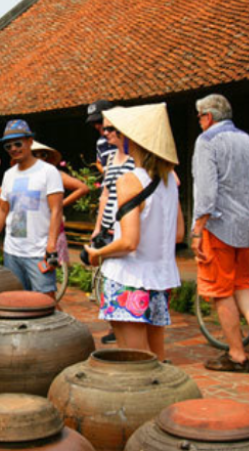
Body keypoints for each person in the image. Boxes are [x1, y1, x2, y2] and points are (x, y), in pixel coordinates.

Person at [83, 103, 184, 361]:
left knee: (136, 360)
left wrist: (98, 253)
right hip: (159, 278)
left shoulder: (130, 180)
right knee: (157, 358)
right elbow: (178, 234)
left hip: (129, 276)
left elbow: (129, 242)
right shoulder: (170, 180)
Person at [192, 94, 249, 373]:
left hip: (218, 226)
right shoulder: (247, 140)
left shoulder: (207, 141)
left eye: (200, 117)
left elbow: (206, 191)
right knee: (242, 284)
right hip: (246, 225)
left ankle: (237, 354)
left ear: (208, 117)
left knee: (221, 290)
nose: (199, 122)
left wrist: (198, 230)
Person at [0, 120, 64, 298]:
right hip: (12, 251)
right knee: (18, 301)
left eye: (18, 143)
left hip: (38, 251)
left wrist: (51, 245)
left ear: (30, 141)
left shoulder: (48, 171)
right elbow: (3, 210)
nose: (13, 148)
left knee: (45, 300)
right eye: (8, 146)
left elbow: (56, 210)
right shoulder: (9, 175)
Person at [89, 112, 136, 343]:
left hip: (125, 226)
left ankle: (126, 326)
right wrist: (98, 226)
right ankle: (114, 325)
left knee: (124, 277)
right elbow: (105, 194)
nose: (104, 133)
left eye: (109, 130)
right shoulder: (110, 160)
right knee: (109, 277)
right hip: (108, 225)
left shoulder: (134, 160)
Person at [30, 141, 89, 266]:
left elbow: (83, 188)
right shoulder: (22, 176)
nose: (39, 158)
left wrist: (60, 204)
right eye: (35, 154)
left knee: (50, 266)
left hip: (50, 225)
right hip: (29, 227)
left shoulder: (55, 174)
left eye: (43, 155)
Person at [86, 99, 115, 174]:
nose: (97, 126)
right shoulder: (100, 142)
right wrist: (108, 176)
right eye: (93, 123)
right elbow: (98, 163)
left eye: (99, 121)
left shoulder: (127, 138)